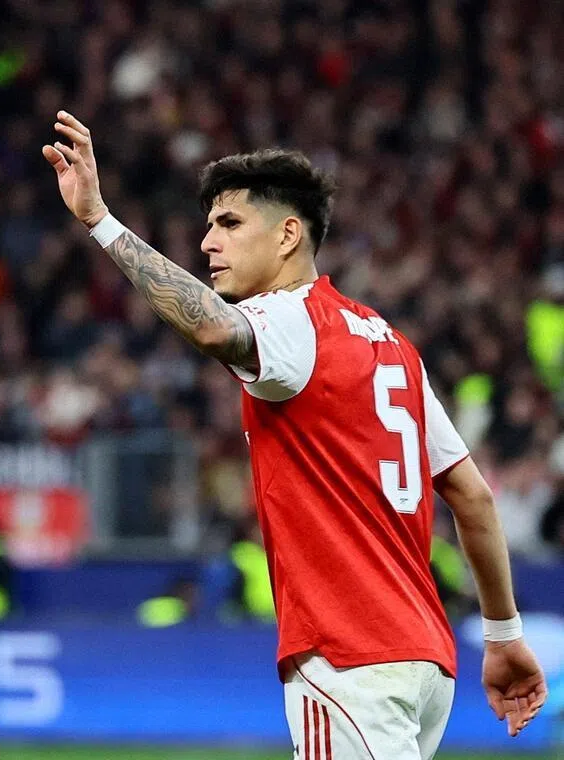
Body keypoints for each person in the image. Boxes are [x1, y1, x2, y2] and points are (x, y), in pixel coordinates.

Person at [44, 110, 547, 759]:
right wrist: (504, 635)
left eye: (228, 224)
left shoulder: (285, 322)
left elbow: (209, 328)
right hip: (424, 661)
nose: (206, 243)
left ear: (287, 235)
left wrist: (99, 222)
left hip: (348, 658)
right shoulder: (391, 344)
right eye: (207, 226)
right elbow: (472, 497)